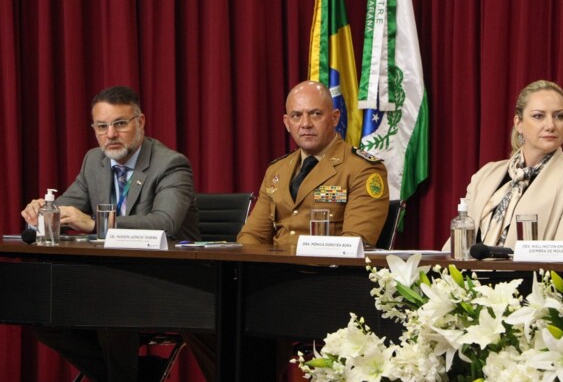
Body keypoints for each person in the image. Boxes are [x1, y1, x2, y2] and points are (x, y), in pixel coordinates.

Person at [21, 85, 202, 382]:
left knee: (108, 304)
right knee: (39, 308)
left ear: (140, 122)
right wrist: (41, 213)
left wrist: (95, 224)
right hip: (108, 279)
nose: (110, 135)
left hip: (169, 280)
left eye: (120, 124)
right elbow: (67, 206)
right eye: (102, 126)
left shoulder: (170, 164)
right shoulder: (95, 161)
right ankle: (136, 376)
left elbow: (165, 222)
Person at [448, 79, 563, 254]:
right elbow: (454, 249)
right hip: (468, 279)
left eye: (559, 116)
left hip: (534, 280)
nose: (551, 125)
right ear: (518, 123)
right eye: (538, 116)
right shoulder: (485, 175)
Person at [237, 80, 390, 246]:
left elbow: (355, 243)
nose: (305, 124)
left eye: (316, 114)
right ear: (287, 123)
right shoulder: (276, 170)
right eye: (296, 116)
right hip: (273, 269)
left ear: (334, 118)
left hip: (327, 270)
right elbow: (251, 236)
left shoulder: (363, 169)